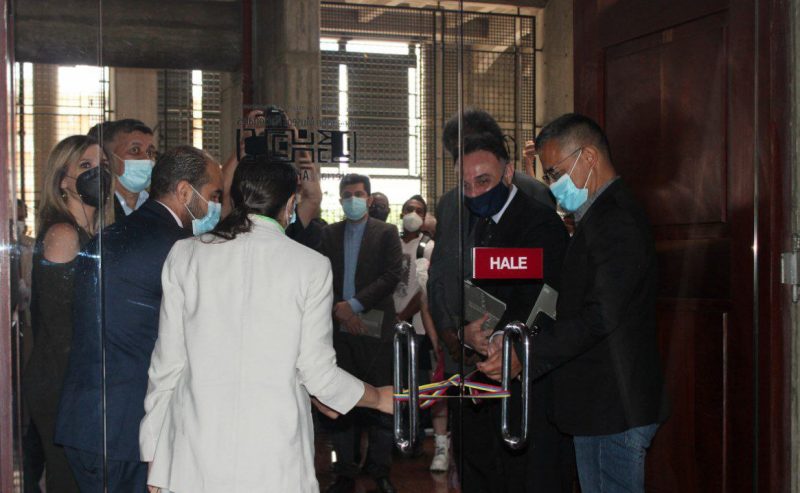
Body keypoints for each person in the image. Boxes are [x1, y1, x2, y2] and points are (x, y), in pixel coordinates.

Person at [139, 157, 393, 493]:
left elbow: (166, 366)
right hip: (274, 453)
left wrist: (154, 454)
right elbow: (317, 373)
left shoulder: (185, 254)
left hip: (195, 452)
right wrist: (379, 397)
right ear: (289, 204)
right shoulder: (311, 266)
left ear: (234, 197)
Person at [479, 113, 670, 493]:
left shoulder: (615, 220)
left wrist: (527, 353)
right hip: (600, 405)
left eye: (555, 173)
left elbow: (600, 317)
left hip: (614, 407)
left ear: (589, 157)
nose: (553, 186)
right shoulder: (598, 216)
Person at [55, 145, 223, 491]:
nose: (215, 206)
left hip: (86, 418)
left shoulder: (113, 233)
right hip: (129, 426)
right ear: (184, 191)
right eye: (213, 195)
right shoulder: (180, 248)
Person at [428, 108, 573, 492]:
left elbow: (545, 301)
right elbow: (460, 286)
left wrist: (508, 344)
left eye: (483, 181)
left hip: (523, 383)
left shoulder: (538, 220)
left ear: (507, 172)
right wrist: (463, 333)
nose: (475, 193)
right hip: (478, 378)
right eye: (466, 184)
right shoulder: (475, 220)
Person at [22, 135, 113, 493]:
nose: (98, 173)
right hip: (63, 382)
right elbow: (61, 326)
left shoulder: (93, 234)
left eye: (103, 165)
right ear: (63, 180)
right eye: (86, 166)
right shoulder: (63, 233)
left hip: (78, 380)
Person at [318, 174, 403, 493]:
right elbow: (320, 277)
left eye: (358, 194)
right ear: (340, 200)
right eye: (347, 195)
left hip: (376, 329)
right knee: (342, 398)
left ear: (368, 198)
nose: (352, 199)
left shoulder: (387, 232)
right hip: (340, 329)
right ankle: (345, 471)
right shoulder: (329, 234)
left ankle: (380, 470)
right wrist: (340, 310)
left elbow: (391, 276)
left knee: (381, 397)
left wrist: (353, 306)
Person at [89, 119, 157, 221]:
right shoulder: (95, 211)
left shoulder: (158, 206)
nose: (147, 159)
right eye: (135, 150)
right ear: (107, 158)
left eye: (150, 152)